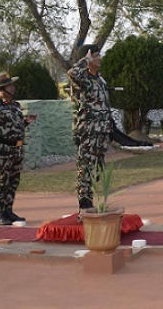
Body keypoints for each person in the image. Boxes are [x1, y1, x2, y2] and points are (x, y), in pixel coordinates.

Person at [0, 72, 35, 225]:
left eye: (12, 85)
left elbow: (15, 127)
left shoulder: (15, 105)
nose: (13, 87)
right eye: (9, 85)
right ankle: (0, 214)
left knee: (13, 182)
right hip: (1, 151)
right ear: (1, 89)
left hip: (16, 151)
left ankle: (9, 210)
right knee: (1, 183)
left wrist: (26, 122)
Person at [68, 44, 114, 211]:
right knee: (85, 170)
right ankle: (84, 206)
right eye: (95, 55)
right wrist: (84, 60)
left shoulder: (100, 80)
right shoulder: (82, 79)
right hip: (87, 132)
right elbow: (72, 72)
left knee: (97, 170)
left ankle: (90, 203)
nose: (99, 58)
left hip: (101, 132)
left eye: (98, 55)